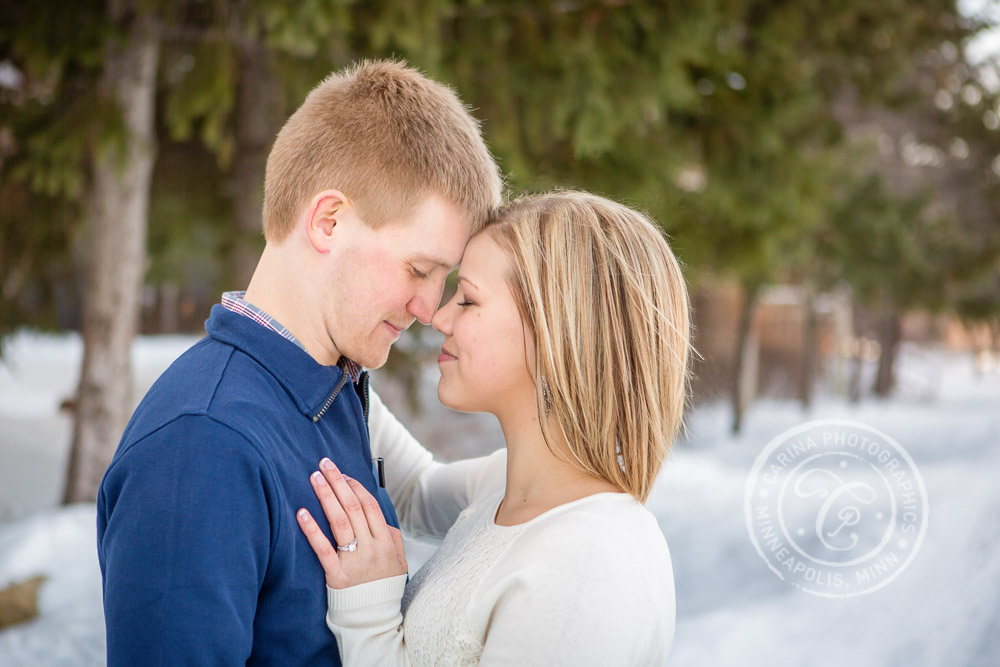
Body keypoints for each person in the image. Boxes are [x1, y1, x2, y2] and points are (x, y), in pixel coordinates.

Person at [96, 60, 502, 665]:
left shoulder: (331, 392)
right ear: (328, 221)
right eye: (419, 270)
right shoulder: (202, 447)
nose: (427, 307)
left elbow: (429, 492)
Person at [296, 191, 691, 665]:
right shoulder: (508, 486)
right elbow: (416, 489)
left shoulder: (589, 567)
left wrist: (367, 614)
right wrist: (323, 346)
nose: (439, 317)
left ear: (555, 333)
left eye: (468, 299)